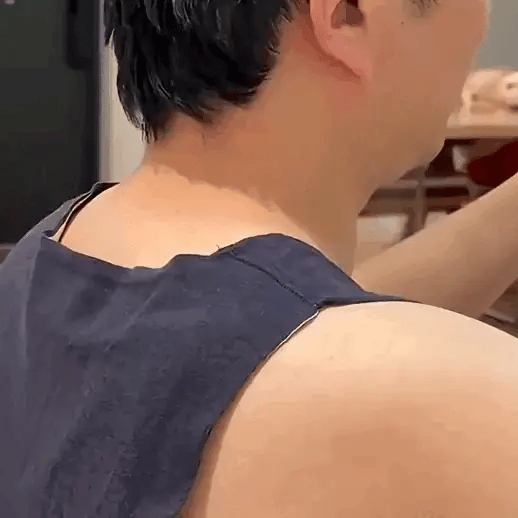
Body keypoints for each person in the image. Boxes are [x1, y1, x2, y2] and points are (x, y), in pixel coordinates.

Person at [1, 0, 518, 516]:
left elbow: (292, 321)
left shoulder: (42, 262)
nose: (484, 18)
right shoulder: (444, 411)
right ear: (348, 13)